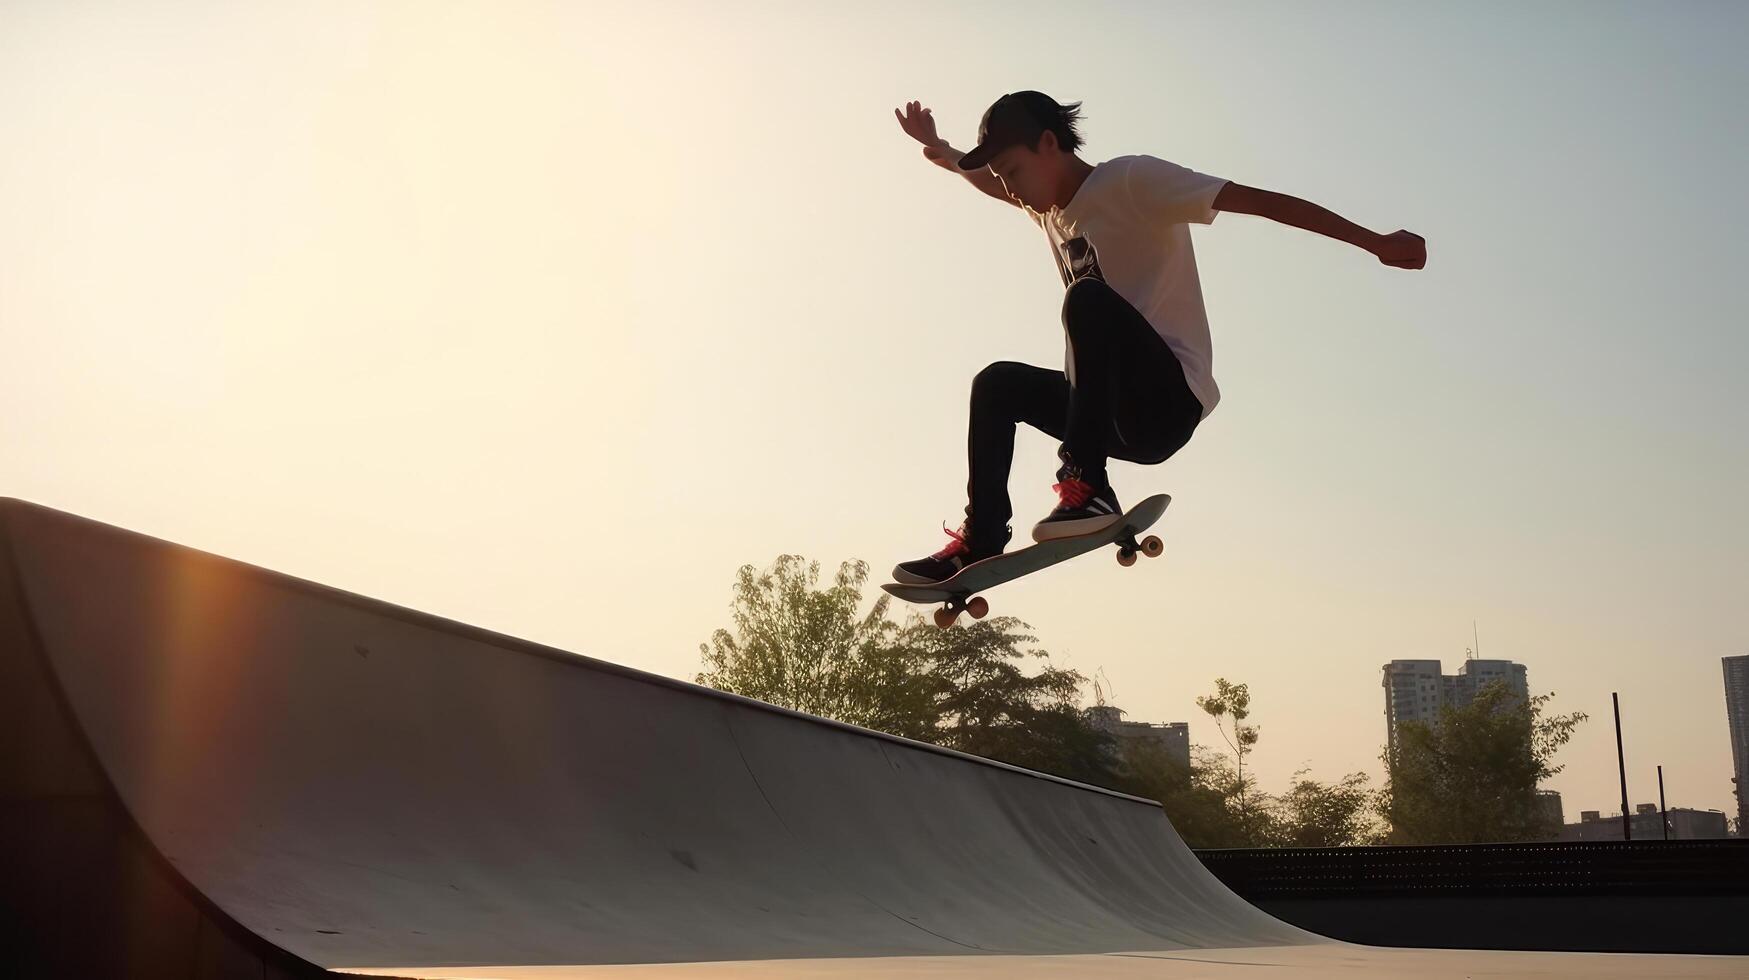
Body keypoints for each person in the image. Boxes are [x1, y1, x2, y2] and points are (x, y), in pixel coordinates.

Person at [891, 91, 1427, 585]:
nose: (1011, 189)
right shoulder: (1049, 211)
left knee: (1088, 299)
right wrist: (941, 149)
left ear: (1048, 145)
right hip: (1109, 418)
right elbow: (988, 184)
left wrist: (1373, 241)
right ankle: (982, 537)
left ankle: (1087, 486)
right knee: (996, 384)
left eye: (1013, 170)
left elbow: (1259, 201)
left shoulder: (1132, 181)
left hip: (1167, 403)